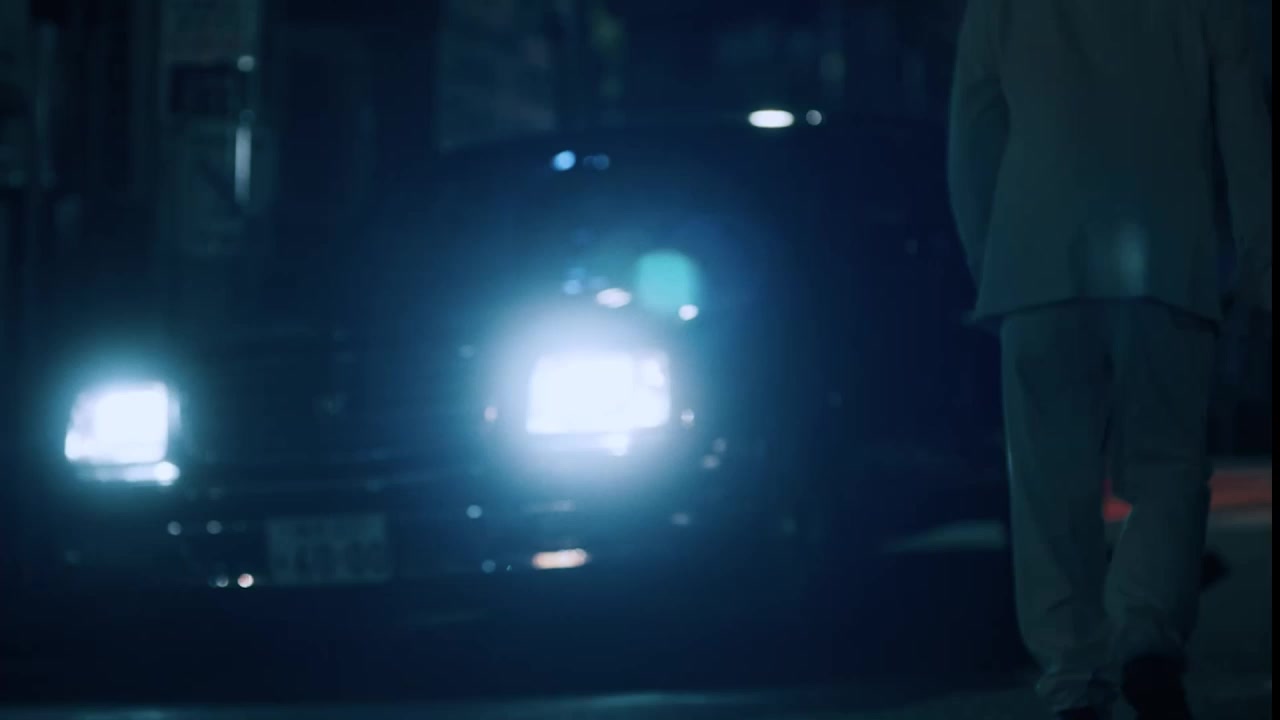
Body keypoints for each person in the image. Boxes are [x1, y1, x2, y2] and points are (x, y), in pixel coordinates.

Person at [946, 1, 1272, 719]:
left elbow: (973, 133)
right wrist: (1258, 261)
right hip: (1166, 260)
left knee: (1048, 483)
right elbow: (1246, 129)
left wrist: (987, 257)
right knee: (1167, 468)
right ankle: (1147, 637)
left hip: (1034, 264)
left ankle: (1072, 674)